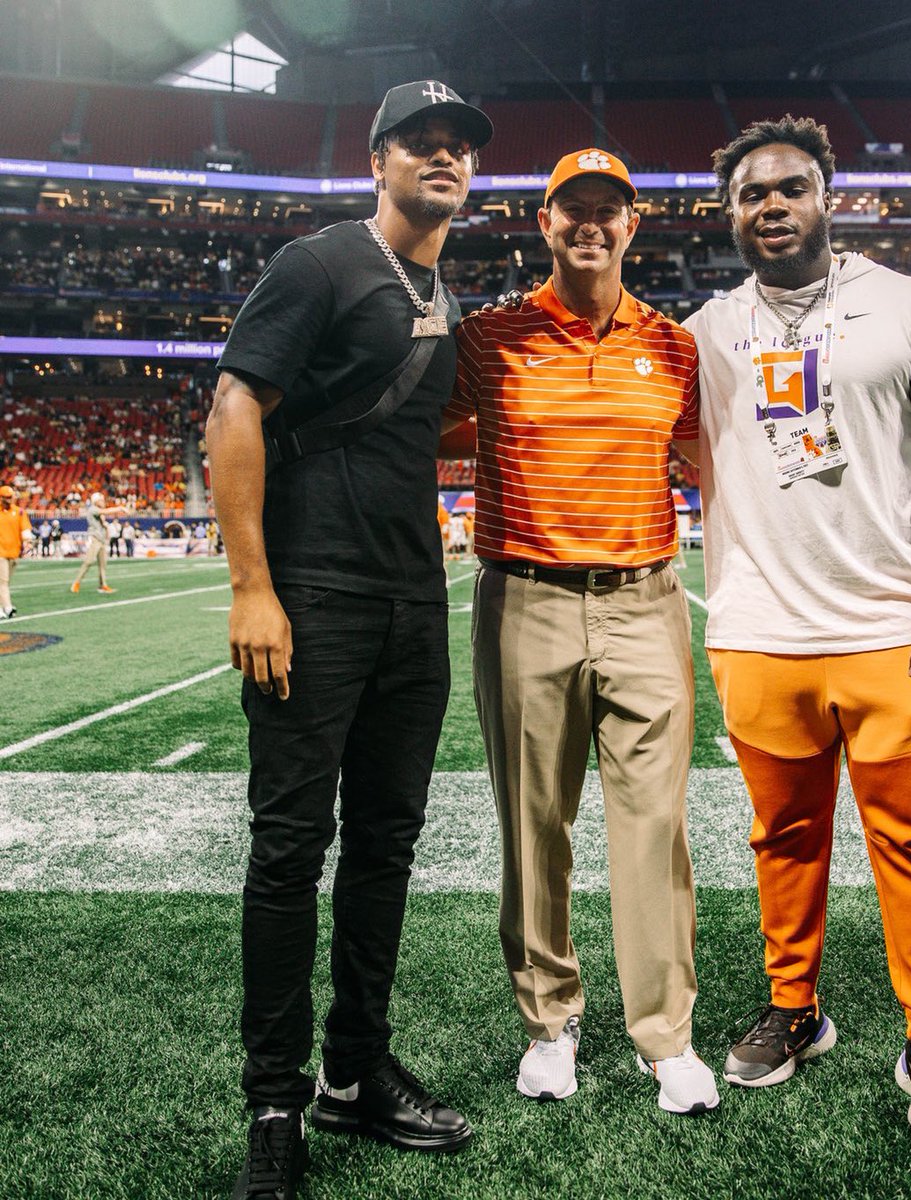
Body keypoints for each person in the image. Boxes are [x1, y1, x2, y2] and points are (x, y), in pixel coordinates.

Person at [683, 115, 911, 1145]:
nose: (769, 206)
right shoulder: (702, 332)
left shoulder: (908, 307)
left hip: (891, 630)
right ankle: (794, 1007)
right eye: (750, 195)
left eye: (789, 188)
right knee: (783, 838)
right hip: (757, 630)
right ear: (728, 213)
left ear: (829, 197)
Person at [206, 80, 492, 1200]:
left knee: (386, 847)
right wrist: (252, 588)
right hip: (313, 599)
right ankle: (274, 1100)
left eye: (459, 147)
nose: (444, 158)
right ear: (376, 160)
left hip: (412, 605)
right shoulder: (323, 263)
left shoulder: (443, 295)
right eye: (421, 143)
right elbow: (235, 407)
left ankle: (355, 1070)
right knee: (288, 850)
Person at [441, 147, 719, 1115]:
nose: (591, 224)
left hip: (647, 599)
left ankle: (666, 1036)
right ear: (544, 223)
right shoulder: (489, 337)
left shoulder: (676, 346)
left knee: (656, 830)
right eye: (573, 209)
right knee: (534, 828)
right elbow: (421, 428)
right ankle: (550, 1021)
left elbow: (714, 461)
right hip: (525, 598)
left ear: (633, 225)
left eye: (610, 209)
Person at [70, 491, 122, 594]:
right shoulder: (93, 509)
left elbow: (104, 525)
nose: (103, 502)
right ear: (96, 501)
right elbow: (107, 512)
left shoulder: (98, 512)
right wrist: (120, 508)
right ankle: (76, 583)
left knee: (103, 564)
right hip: (95, 539)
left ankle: (103, 585)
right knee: (89, 561)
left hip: (101, 540)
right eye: (101, 500)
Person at [0, 484, 34, 618]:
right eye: (6, 498)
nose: (9, 500)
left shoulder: (19, 512)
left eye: (10, 497)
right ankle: (8, 608)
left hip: (14, 552)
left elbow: (25, 530)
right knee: (3, 581)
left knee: (5, 582)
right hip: (0, 552)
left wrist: (28, 544)